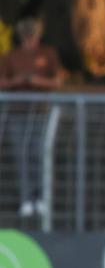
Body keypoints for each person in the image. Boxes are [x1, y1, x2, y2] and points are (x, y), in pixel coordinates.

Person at [0, 18, 63, 218]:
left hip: (41, 112)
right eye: (26, 36)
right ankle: (26, 199)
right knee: (22, 156)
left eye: (32, 35)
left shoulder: (48, 54)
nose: (29, 39)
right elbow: (3, 81)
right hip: (17, 112)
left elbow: (57, 80)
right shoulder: (11, 56)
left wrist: (37, 81)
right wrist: (17, 81)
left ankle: (42, 198)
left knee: (40, 153)